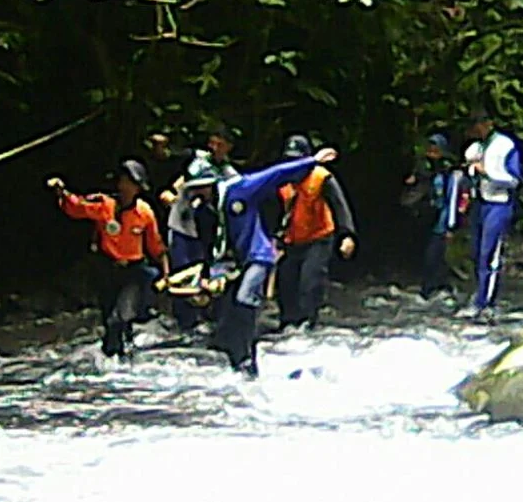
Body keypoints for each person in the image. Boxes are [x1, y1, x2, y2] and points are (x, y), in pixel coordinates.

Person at [181, 146, 339, 378]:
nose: (198, 194)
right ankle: (238, 360)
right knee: (226, 312)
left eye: (200, 188)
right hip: (229, 263)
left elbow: (276, 174)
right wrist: (207, 279)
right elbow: (209, 248)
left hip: (257, 256)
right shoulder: (203, 212)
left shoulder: (241, 189)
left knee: (245, 299)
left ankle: (246, 358)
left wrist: (311, 161)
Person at [47, 160, 170, 358]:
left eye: (132, 184)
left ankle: (114, 357)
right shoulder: (105, 205)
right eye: (124, 182)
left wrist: (166, 273)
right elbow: (78, 208)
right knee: (109, 317)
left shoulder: (145, 212)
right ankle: (120, 354)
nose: (126, 187)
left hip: (133, 271)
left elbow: (156, 246)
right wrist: (62, 193)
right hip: (107, 269)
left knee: (119, 317)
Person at [158, 126, 240, 332]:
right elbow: (173, 165)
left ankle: (208, 318)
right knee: (182, 273)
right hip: (182, 226)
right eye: (212, 143)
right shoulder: (196, 159)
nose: (214, 148)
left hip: (209, 232)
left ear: (228, 147)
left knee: (205, 274)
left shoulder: (231, 176)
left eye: (219, 145)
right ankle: (184, 322)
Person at [275, 134, 357, 330]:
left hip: (319, 238)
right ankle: (287, 321)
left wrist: (347, 235)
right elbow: (272, 212)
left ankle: (308, 321)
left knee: (310, 279)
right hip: (291, 240)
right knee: (285, 280)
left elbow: (340, 206)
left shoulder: (321, 177)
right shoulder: (281, 180)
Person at [455, 109, 523, 321]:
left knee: (489, 253)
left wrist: (488, 173)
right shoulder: (474, 148)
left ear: (489, 123)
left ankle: (487, 303)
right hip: (479, 204)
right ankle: (478, 297)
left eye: (479, 124)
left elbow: (514, 180)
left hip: (499, 204)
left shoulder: (506, 146)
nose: (476, 129)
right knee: (476, 253)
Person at [403, 133, 468, 303]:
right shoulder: (422, 168)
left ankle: (434, 287)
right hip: (425, 216)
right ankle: (431, 287)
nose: (432, 151)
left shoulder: (450, 171)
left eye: (436, 148)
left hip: (443, 218)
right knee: (428, 253)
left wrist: (451, 225)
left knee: (435, 254)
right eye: (430, 147)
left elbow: (453, 199)